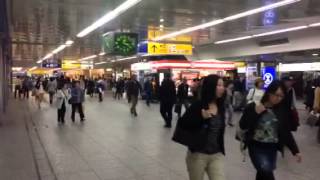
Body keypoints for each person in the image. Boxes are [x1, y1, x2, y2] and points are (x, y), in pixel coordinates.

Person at [239, 80, 302, 180]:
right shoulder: (254, 106)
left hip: (271, 148)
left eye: (281, 96)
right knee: (266, 171)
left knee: (263, 172)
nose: (278, 98)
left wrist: (295, 151)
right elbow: (243, 125)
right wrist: (256, 113)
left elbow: (285, 131)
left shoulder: (282, 110)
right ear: (269, 93)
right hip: (256, 146)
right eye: (276, 95)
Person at [172, 74, 226, 180]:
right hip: (198, 155)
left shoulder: (220, 107)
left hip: (216, 154)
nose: (222, 88)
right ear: (210, 87)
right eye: (219, 85)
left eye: (223, 85)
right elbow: (183, 124)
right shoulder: (198, 105)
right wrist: (201, 118)